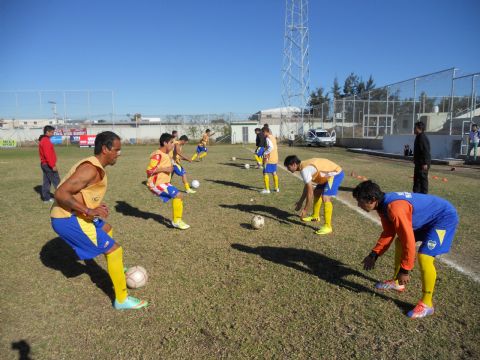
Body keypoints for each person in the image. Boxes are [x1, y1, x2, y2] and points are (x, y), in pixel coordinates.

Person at [50, 131, 148, 310]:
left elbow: (81, 192)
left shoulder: (95, 167)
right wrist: (88, 210)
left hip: (76, 214)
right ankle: (121, 299)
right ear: (105, 149)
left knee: (106, 228)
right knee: (115, 251)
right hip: (67, 219)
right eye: (117, 150)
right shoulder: (90, 169)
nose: (119, 153)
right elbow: (61, 193)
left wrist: (94, 204)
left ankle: (116, 268)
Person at [353, 180, 458, 319]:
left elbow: (409, 240)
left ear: (372, 199)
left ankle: (427, 304)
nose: (358, 205)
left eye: (360, 201)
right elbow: (388, 233)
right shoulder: (382, 206)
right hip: (428, 220)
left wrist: (405, 270)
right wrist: (374, 254)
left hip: (443, 218)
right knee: (399, 242)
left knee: (424, 256)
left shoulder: (394, 208)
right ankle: (397, 283)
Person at [284, 155, 344, 235]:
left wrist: (305, 210)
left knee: (325, 197)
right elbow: (307, 187)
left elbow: (309, 191)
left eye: (288, 167)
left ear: (294, 164)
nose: (288, 169)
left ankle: (328, 226)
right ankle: (315, 216)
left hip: (335, 174)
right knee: (317, 192)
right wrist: (300, 202)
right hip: (325, 175)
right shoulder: (303, 166)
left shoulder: (304, 170)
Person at [147, 133, 190, 230]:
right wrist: (166, 169)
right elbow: (149, 170)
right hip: (156, 184)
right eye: (171, 143)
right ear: (165, 143)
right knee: (178, 195)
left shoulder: (165, 154)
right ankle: (176, 221)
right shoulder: (157, 155)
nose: (173, 145)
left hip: (163, 183)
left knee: (179, 196)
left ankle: (177, 220)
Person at [38, 125, 60, 202]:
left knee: (46, 181)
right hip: (48, 165)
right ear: (47, 132)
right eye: (52, 132)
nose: (53, 134)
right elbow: (47, 155)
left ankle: (46, 198)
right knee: (57, 181)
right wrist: (52, 165)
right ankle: (61, 198)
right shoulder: (46, 141)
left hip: (44, 164)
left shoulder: (43, 140)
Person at [413, 121, 431, 194]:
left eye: (415, 128)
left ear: (418, 128)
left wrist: (425, 163)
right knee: (417, 179)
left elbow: (426, 151)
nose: (414, 129)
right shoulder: (418, 137)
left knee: (423, 179)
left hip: (423, 164)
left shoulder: (422, 137)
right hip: (418, 163)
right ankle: (416, 194)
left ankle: (424, 195)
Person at [261, 126, 279, 194]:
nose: (263, 134)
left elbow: (271, 147)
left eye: (263, 132)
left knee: (265, 172)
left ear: (265, 132)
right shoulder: (273, 137)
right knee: (274, 172)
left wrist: (265, 152)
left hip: (269, 158)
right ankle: (276, 188)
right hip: (275, 157)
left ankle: (267, 189)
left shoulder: (268, 138)